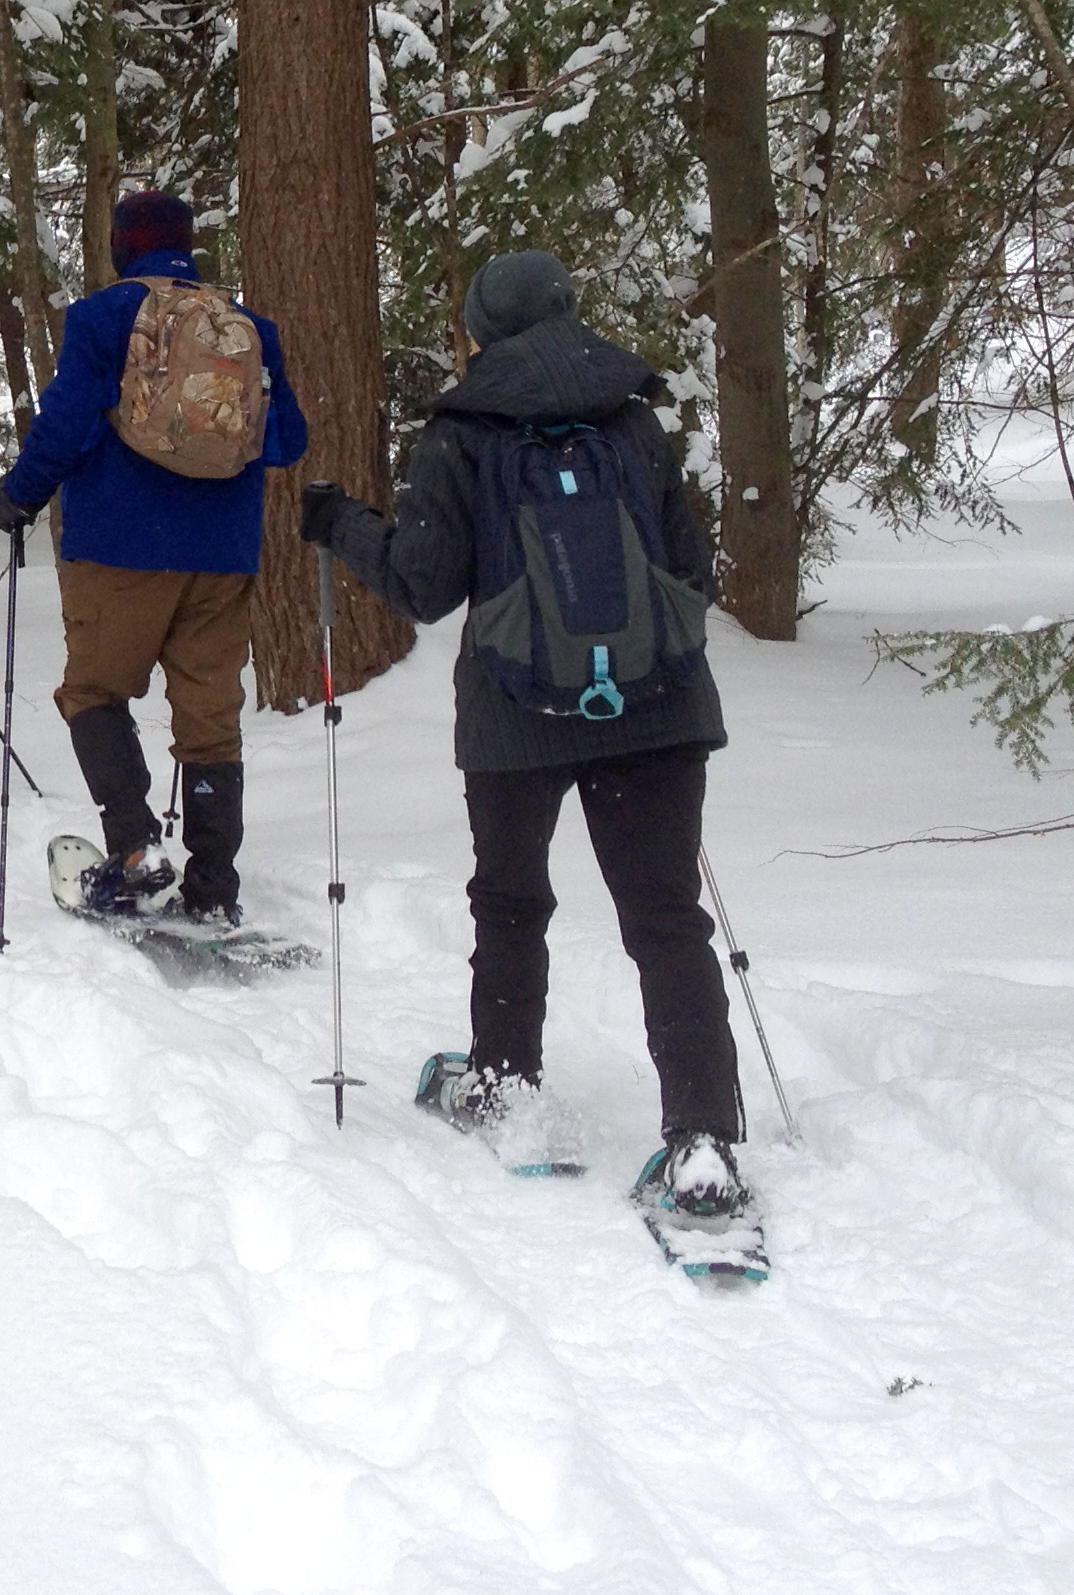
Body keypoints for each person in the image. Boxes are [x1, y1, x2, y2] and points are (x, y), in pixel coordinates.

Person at [297, 248, 750, 1219]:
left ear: (482, 328)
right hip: (657, 708)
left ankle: (509, 1085)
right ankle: (703, 1137)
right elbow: (692, 575)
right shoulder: (634, 419)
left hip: (513, 714)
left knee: (510, 903)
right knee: (667, 919)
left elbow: (423, 586)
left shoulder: (460, 431)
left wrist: (340, 526)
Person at [0, 190, 306, 924]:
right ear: (188, 246)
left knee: (95, 692)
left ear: (121, 246)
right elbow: (288, 440)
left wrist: (20, 494)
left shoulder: (104, 317)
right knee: (209, 719)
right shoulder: (249, 328)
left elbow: (66, 424)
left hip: (121, 545)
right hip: (224, 552)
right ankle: (215, 886)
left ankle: (134, 851)